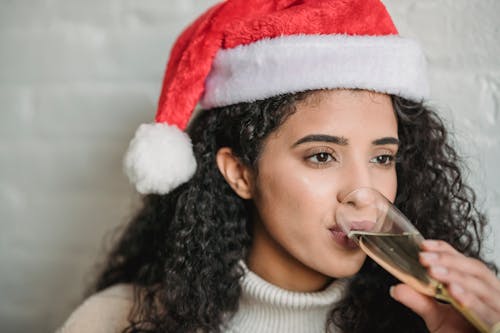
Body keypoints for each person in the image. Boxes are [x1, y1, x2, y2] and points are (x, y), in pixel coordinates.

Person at [57, 0, 500, 332]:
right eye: (322, 155)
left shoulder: (428, 323)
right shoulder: (116, 322)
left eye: (382, 157)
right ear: (240, 172)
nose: (364, 192)